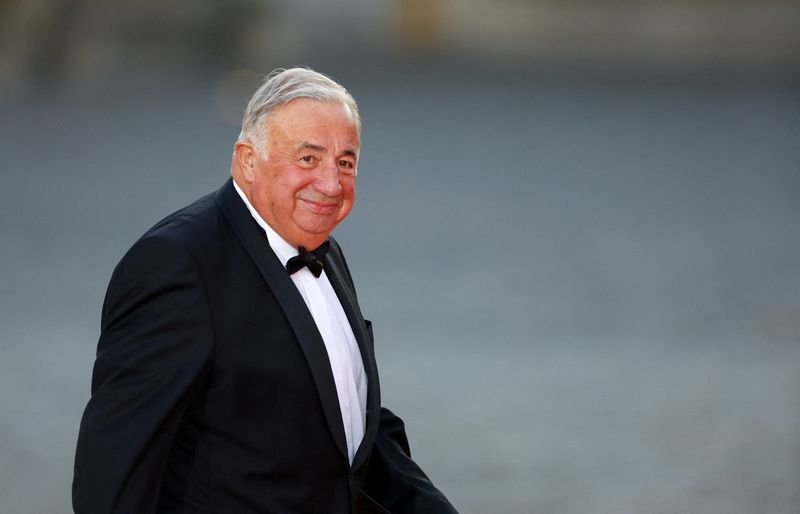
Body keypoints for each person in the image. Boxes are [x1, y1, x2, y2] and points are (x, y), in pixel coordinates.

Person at [73, 67, 458, 514]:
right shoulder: (178, 264)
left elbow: (351, 428)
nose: (331, 185)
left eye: (345, 162)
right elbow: (116, 462)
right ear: (247, 160)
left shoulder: (323, 252)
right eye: (308, 159)